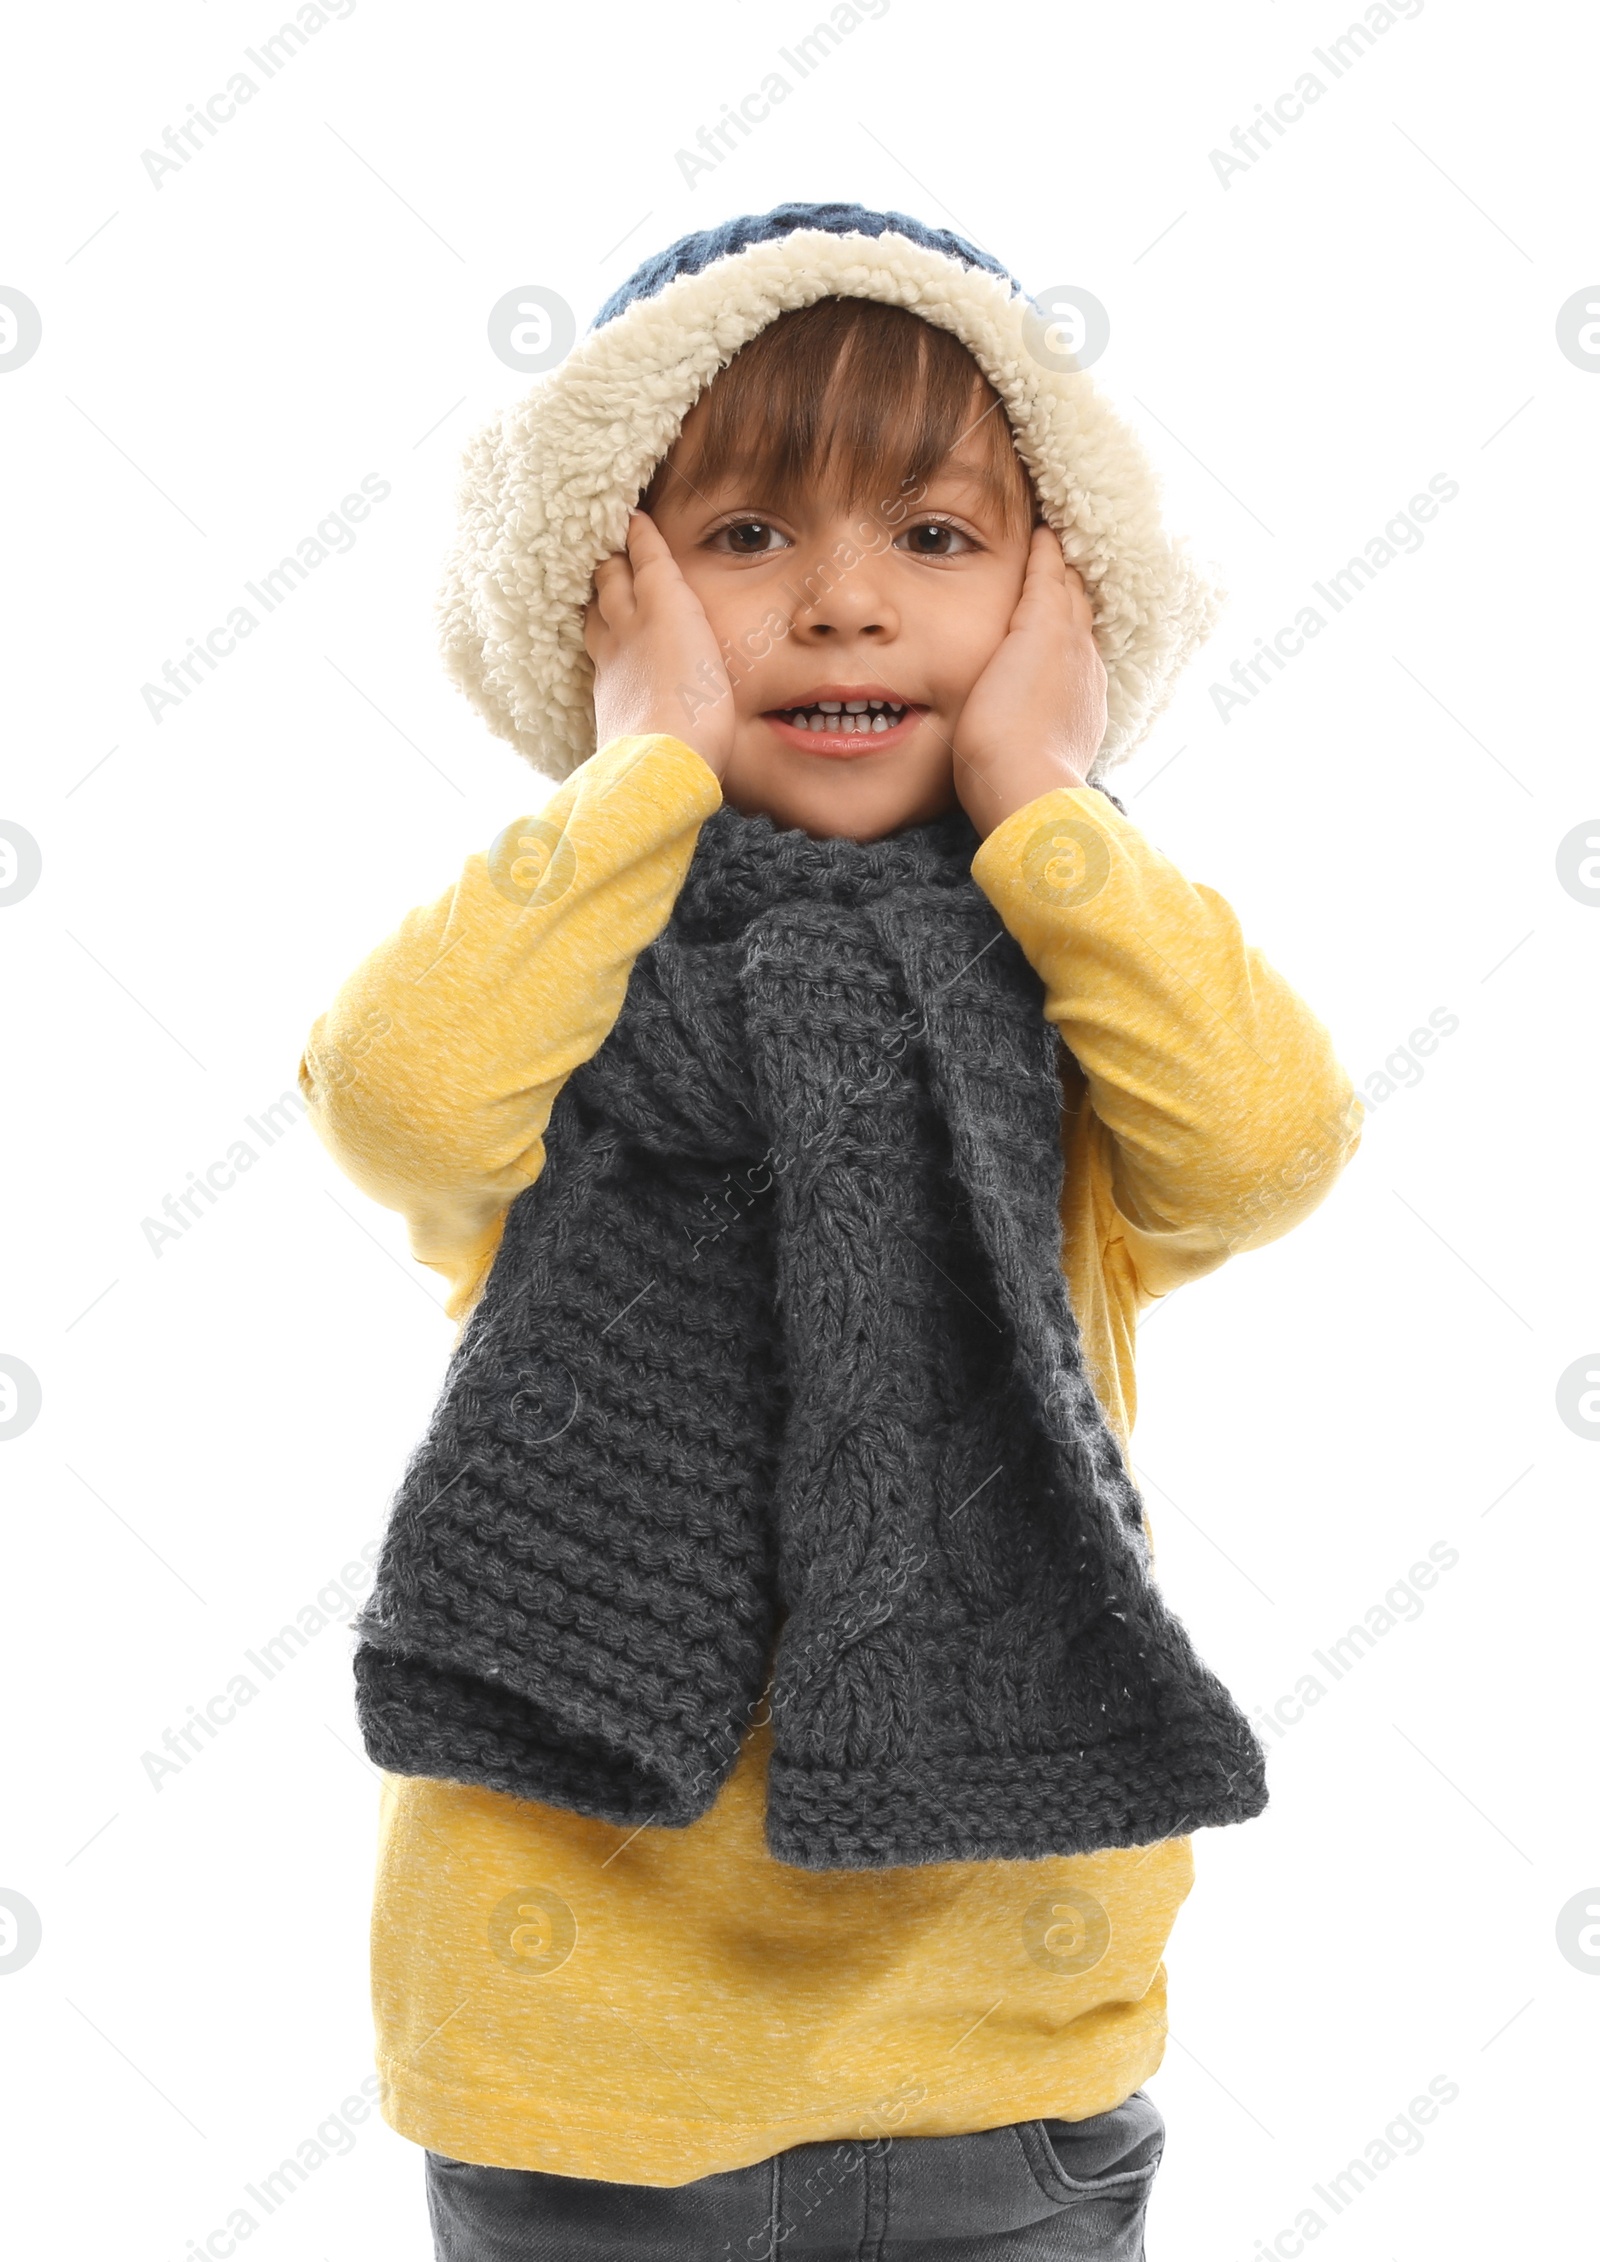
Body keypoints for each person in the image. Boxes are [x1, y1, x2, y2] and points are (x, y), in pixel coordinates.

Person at [300, 202, 1362, 2261]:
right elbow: (400, 1096)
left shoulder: (1070, 990)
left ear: (1059, 598)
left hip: (998, 2060)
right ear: (607, 596)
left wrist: (1046, 797)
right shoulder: (561, 974)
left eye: (937, 541)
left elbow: (1261, 1147)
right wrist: (636, 783)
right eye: (747, 539)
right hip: (578, 2083)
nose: (846, 608)